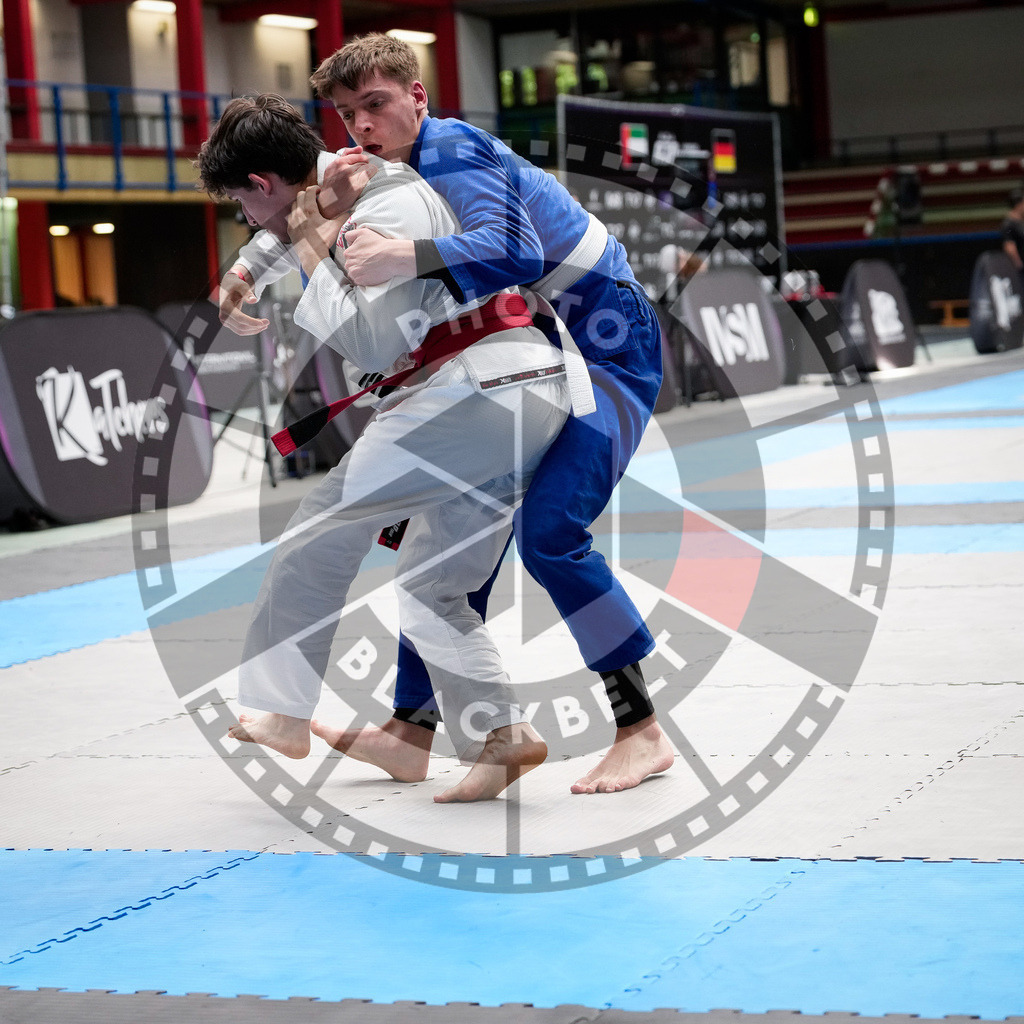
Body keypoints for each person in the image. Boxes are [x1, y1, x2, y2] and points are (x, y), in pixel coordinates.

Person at [220, 34, 675, 795]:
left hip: (608, 335)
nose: (361, 126)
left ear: (418, 97)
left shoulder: (457, 147)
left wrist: (407, 257)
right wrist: (242, 268)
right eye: (347, 113)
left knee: (551, 535)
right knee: (443, 561)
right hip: (539, 348)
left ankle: (642, 728)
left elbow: (519, 252)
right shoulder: (368, 165)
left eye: (376, 105)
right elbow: (301, 204)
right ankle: (414, 729)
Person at [199, 94, 573, 802]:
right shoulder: (341, 188)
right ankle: (500, 736)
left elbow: (374, 338)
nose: (248, 223)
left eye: (243, 207)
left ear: (261, 184)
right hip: (507, 397)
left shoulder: (379, 203)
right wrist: (245, 271)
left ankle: (282, 709)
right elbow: (291, 221)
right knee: (433, 585)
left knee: (320, 527)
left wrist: (310, 248)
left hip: (478, 389)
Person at [1001, 186, 1024, 283]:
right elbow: (1009, 245)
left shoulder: (1020, 221)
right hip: (1020, 266)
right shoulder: (1009, 224)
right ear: (1018, 204)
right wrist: (1018, 264)